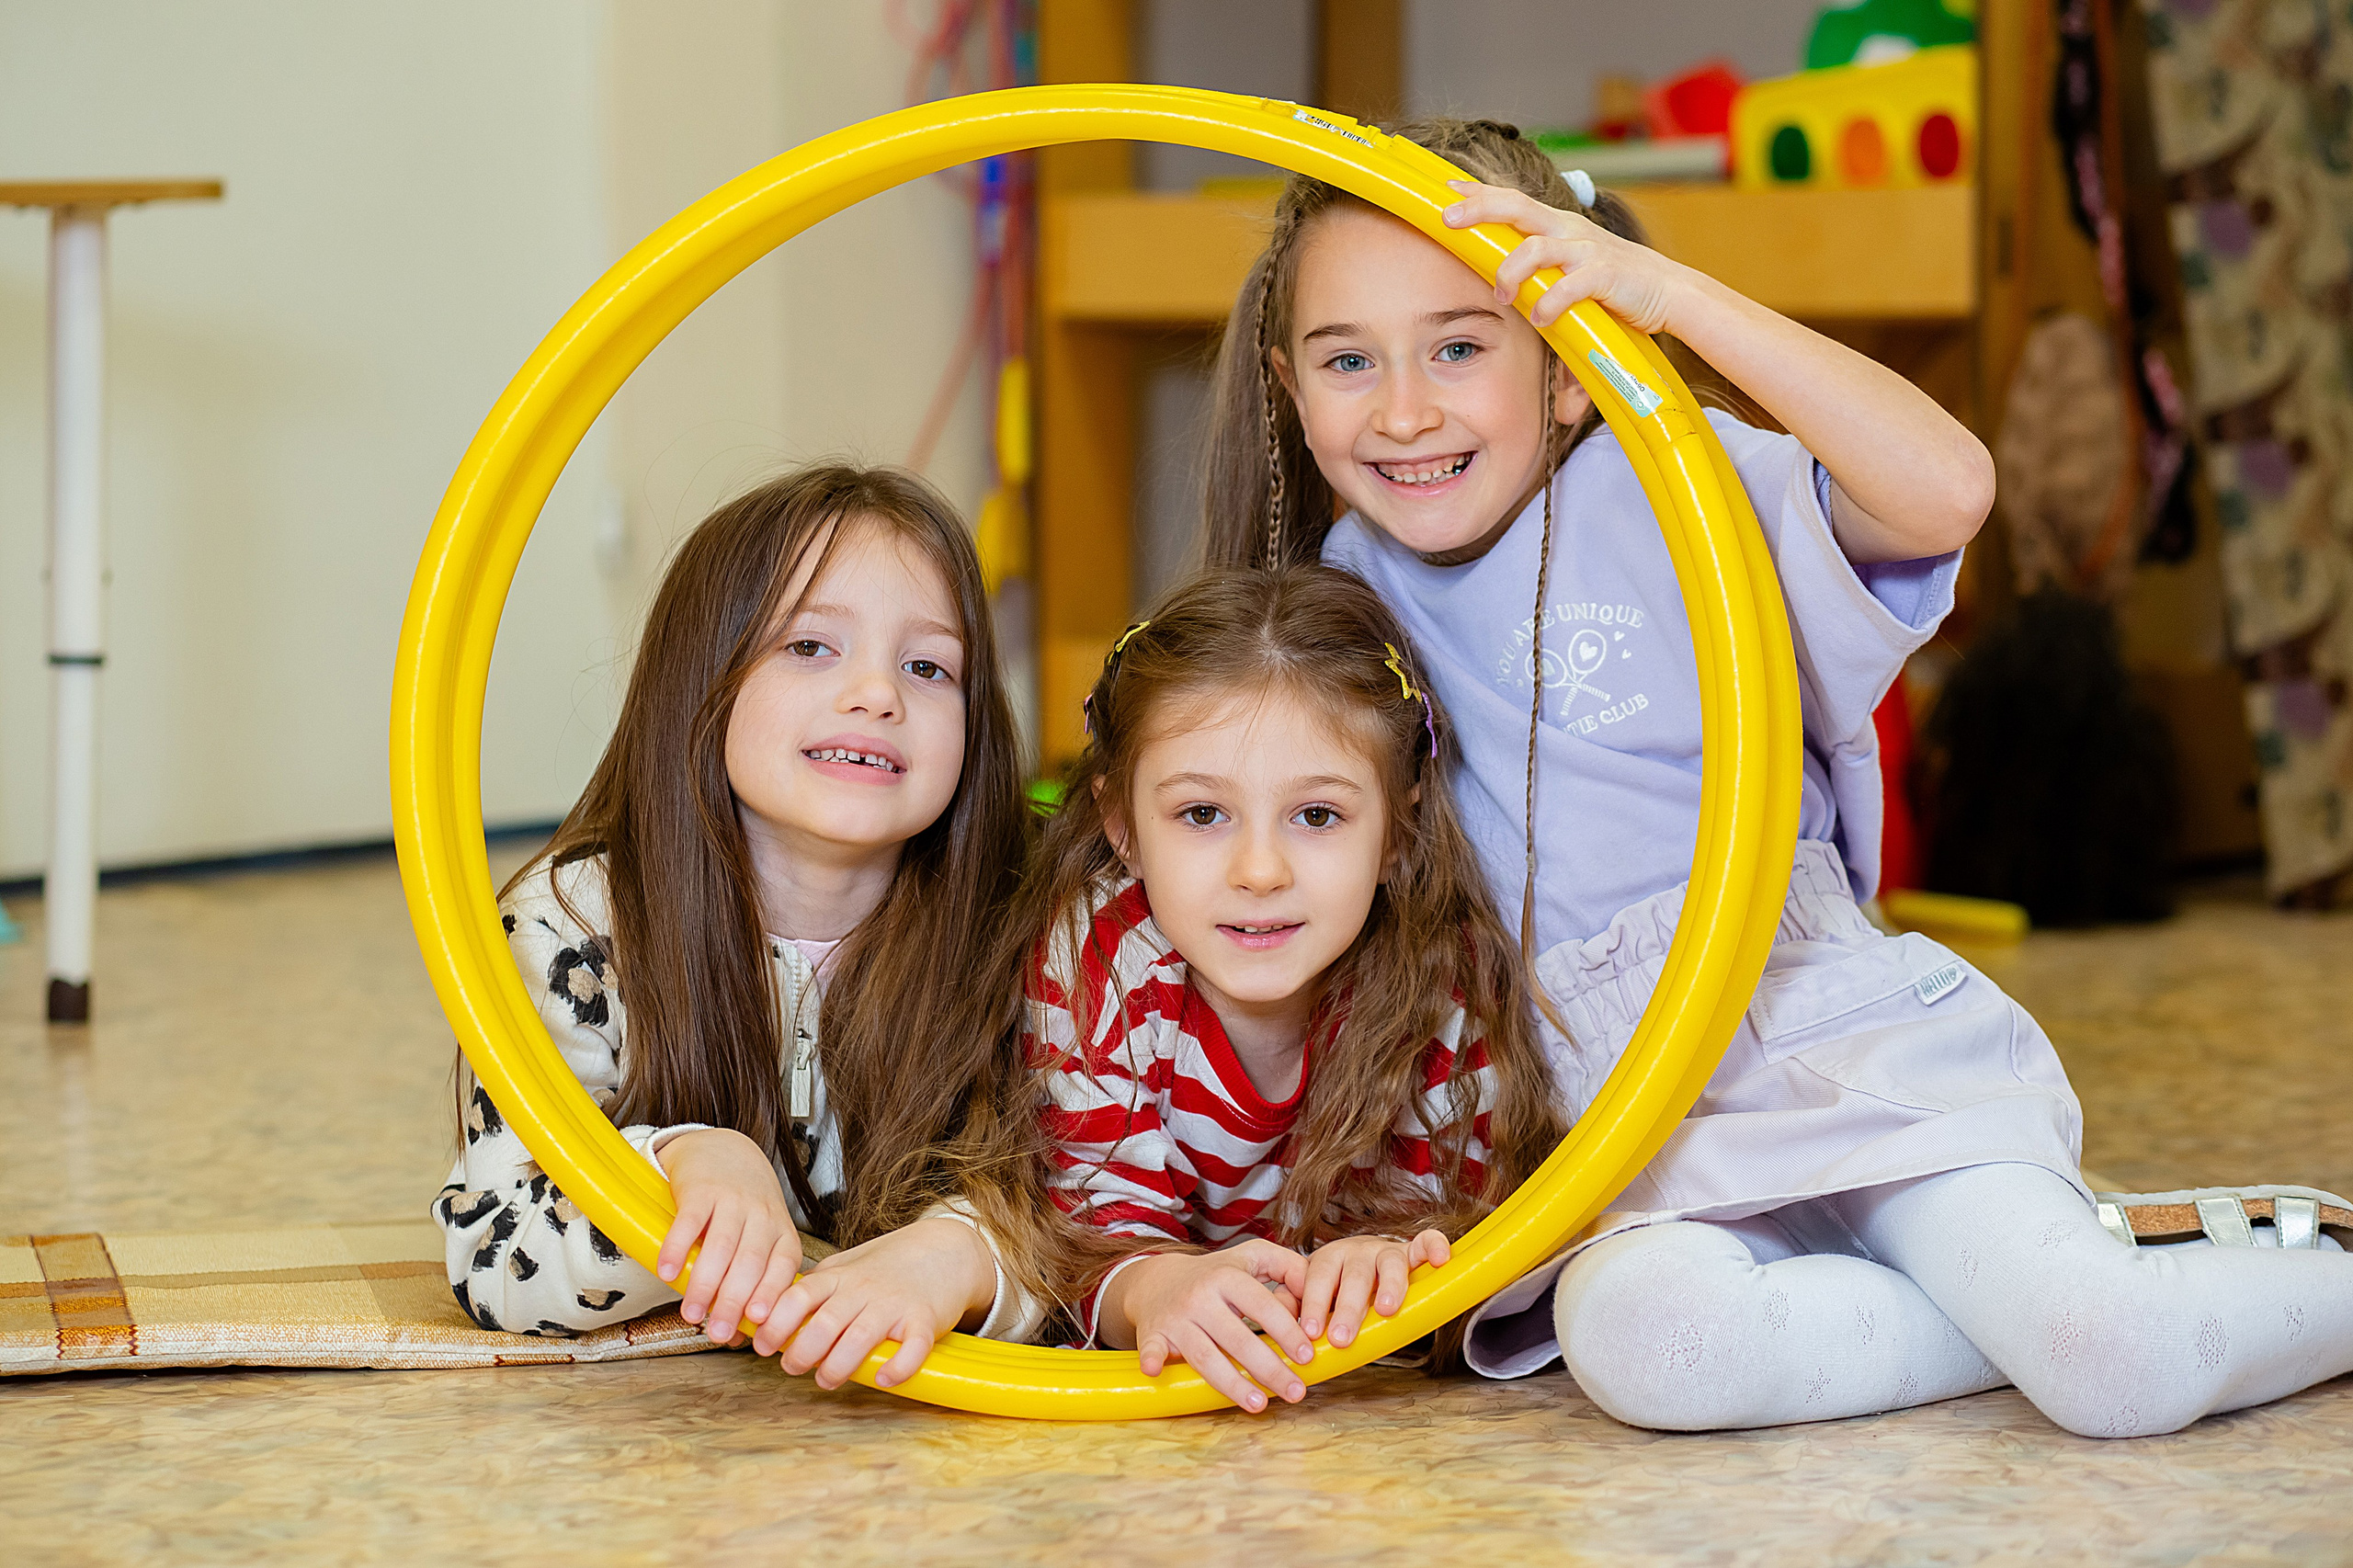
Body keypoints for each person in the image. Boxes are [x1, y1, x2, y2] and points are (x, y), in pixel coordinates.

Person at [1199, 116, 2353, 1437]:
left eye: (1460, 346)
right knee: (1646, 1346)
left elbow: (1946, 489)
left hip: (1813, 1035)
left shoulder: (1675, 482)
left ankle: (2137, 1291)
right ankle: (2014, 1305)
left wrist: (1664, 301)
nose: (1404, 410)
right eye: (1349, 360)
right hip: (1608, 1129)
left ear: (1566, 370)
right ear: (1291, 386)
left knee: (2113, 1363)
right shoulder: (1321, 610)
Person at [435, 463, 1046, 1390]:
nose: (877, 693)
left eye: (928, 666)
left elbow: (1109, 1218)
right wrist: (678, 1168)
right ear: (703, 681)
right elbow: (495, 1251)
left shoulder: (1030, 922)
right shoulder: (571, 924)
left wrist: (959, 1256)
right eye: (810, 645)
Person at [1020, 565, 1566, 1414]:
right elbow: (1089, 1234)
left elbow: (1466, 1241)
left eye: (1317, 816)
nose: (1260, 871)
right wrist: (1154, 1288)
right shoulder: (1098, 959)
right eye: (1202, 814)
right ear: (1124, 828)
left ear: (1397, 833)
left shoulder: (1437, 981)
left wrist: (1392, 1267)